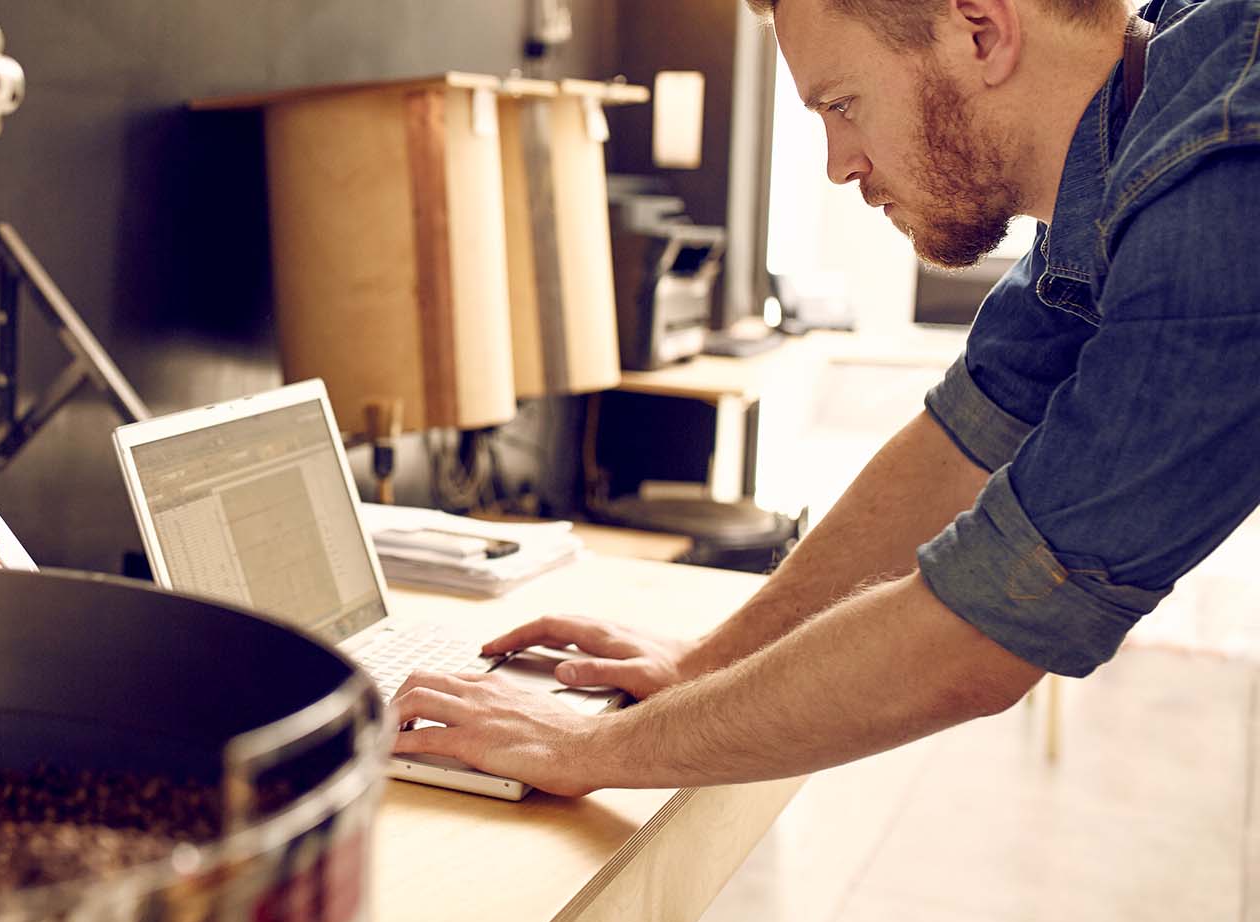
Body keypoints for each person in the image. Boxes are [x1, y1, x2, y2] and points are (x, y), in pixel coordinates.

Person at [390, 0, 1260, 796]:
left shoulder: (1219, 186)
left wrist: (578, 751)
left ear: (982, 30)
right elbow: (965, 435)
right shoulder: (1144, 109)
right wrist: (703, 662)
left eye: (841, 105)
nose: (840, 165)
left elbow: (988, 629)